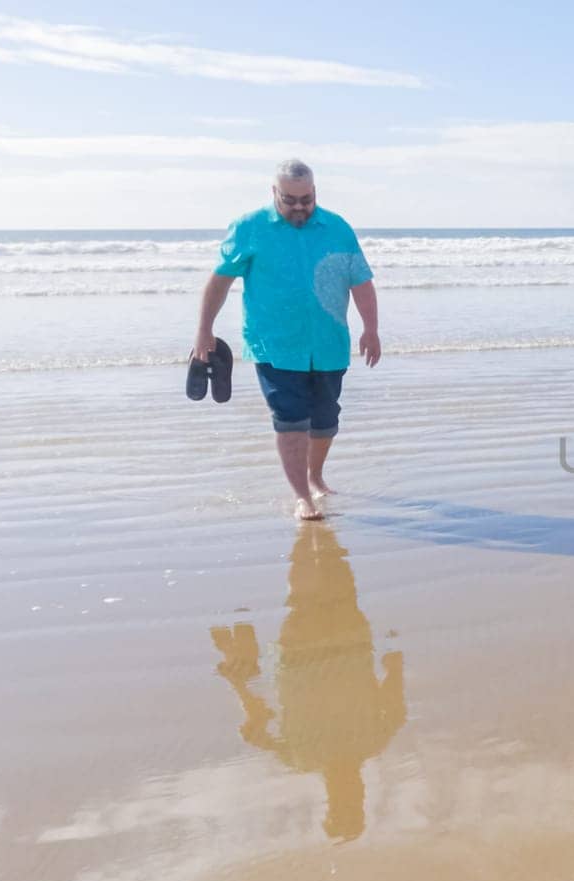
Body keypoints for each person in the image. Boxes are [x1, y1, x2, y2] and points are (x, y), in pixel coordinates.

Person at [192, 159, 380, 521]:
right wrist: (205, 329)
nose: (299, 207)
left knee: (326, 420)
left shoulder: (337, 228)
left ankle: (315, 476)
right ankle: (301, 497)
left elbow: (361, 282)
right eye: (290, 200)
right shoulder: (250, 228)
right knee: (290, 418)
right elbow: (220, 281)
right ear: (274, 193)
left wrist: (370, 328)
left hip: (328, 343)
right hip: (274, 344)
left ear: (315, 193)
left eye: (306, 199)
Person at [209, 523, 405, 841]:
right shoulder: (302, 758)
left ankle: (310, 516)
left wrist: (394, 666)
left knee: (329, 576)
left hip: (344, 645)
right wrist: (240, 686)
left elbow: (395, 705)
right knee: (305, 589)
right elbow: (255, 730)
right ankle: (309, 516)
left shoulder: (368, 743)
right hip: (304, 653)